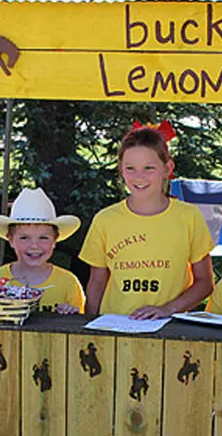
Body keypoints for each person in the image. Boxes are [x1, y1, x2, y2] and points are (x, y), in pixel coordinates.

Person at [80, 123, 214, 319]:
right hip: (115, 325)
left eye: (148, 168)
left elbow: (205, 282)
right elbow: (97, 283)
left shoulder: (188, 217)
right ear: (121, 170)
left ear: (168, 168)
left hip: (169, 328)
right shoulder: (105, 220)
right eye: (130, 168)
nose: (139, 176)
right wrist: (89, 327)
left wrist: (167, 309)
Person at [0, 187, 85, 314]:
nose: (34, 246)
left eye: (43, 238)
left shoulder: (68, 282)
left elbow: (78, 323)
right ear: (10, 240)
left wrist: (70, 313)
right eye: (24, 238)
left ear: (55, 240)